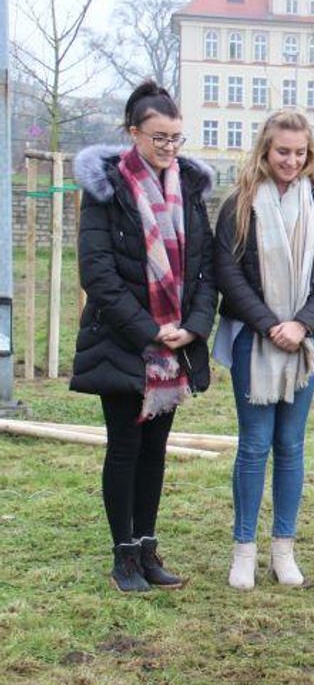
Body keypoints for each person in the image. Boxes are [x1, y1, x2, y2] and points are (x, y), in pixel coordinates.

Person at [71, 81, 216, 593]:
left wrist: (192, 328)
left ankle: (149, 550)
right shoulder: (106, 190)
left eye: (177, 138)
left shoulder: (191, 188)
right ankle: (123, 557)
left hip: (174, 346)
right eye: (160, 138)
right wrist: (149, 330)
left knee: (156, 449)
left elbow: (204, 269)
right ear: (133, 134)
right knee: (125, 446)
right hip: (123, 341)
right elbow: (97, 272)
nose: (170, 148)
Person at [213, 111, 314, 589]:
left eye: (300, 152)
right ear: (265, 151)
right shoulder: (239, 204)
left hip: (304, 340)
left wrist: (303, 324)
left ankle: (283, 550)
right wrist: (271, 325)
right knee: (253, 446)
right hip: (255, 340)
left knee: (291, 446)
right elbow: (227, 273)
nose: (291, 160)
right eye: (282, 151)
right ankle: (243, 550)